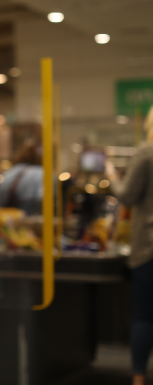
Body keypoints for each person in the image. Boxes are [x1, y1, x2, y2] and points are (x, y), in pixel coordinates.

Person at [106, 107, 153, 385]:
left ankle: (138, 378)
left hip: (148, 245)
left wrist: (112, 175)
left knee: (144, 316)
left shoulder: (146, 152)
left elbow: (126, 195)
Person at [0, 142, 43, 215]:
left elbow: (0, 200)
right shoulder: (40, 172)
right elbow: (41, 197)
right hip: (31, 216)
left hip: (9, 219)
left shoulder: (9, 172)